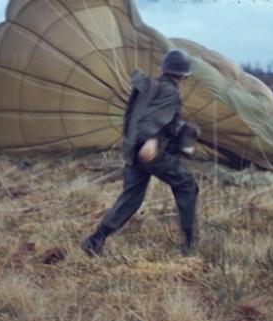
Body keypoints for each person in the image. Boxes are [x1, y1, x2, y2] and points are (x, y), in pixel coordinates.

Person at [81, 49, 200, 257]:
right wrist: (151, 140)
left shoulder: (149, 86)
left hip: (135, 151)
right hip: (152, 153)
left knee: (131, 198)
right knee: (187, 185)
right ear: (182, 75)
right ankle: (191, 242)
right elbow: (150, 119)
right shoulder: (169, 92)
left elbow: (139, 116)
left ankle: (96, 239)